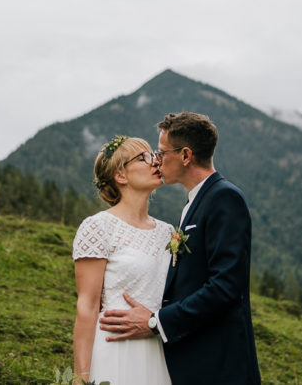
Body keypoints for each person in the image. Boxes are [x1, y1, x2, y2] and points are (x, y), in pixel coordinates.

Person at [99, 112, 261, 384]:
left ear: (185, 155)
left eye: (162, 152)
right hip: (194, 361)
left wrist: (156, 321)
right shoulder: (195, 202)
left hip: (221, 365)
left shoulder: (224, 197)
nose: (157, 160)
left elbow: (225, 287)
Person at [72, 135, 173, 385]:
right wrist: (80, 378)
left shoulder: (169, 233)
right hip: (115, 351)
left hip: (159, 352)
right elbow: (87, 307)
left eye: (154, 155)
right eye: (143, 158)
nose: (155, 161)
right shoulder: (98, 227)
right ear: (120, 176)